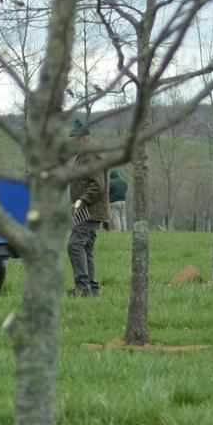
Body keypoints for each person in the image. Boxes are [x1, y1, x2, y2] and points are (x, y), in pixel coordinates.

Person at [67, 120, 107, 296]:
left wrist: (82, 200)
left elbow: (98, 184)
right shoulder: (82, 156)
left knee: (75, 245)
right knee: (86, 248)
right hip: (84, 210)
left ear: (83, 138)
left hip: (90, 210)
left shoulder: (91, 155)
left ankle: (83, 288)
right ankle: (92, 289)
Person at [107, 168, 128, 232]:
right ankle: (124, 229)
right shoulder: (123, 181)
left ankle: (118, 230)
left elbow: (108, 191)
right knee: (123, 215)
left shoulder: (111, 182)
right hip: (123, 201)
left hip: (114, 201)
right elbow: (125, 189)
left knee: (116, 216)